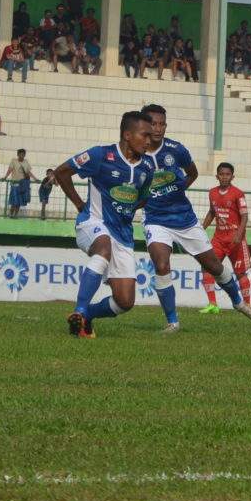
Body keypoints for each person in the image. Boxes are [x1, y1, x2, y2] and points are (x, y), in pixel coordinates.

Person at [142, 104, 251, 333]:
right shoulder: (137, 152)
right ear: (145, 125)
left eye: (162, 124)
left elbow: (193, 173)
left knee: (214, 266)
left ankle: (238, 302)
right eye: (153, 123)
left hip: (184, 219)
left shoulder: (176, 150)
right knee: (161, 264)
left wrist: (177, 189)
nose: (158, 128)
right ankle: (172, 322)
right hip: (155, 219)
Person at [55, 111, 154, 338]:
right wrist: (80, 205)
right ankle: (79, 311)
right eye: (144, 135)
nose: (149, 141)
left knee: (125, 301)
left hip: (123, 234)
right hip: (92, 223)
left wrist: (127, 207)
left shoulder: (147, 168)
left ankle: (88, 316)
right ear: (128, 135)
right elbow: (62, 172)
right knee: (103, 246)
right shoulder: (100, 155)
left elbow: (144, 196)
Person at [201, 162, 251, 315]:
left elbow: (244, 216)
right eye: (222, 174)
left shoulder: (238, 193)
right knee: (207, 267)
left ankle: (247, 306)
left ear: (232, 176)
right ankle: (212, 304)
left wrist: (239, 234)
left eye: (227, 174)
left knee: (240, 274)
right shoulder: (212, 192)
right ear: (216, 176)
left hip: (235, 240)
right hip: (218, 238)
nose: (224, 177)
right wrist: (201, 228)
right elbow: (212, 212)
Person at [3, 149, 38, 219]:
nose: (22, 156)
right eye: (20, 154)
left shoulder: (26, 162)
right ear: (18, 154)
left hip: (22, 184)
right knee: (14, 201)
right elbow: (10, 170)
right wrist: (5, 177)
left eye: (23, 154)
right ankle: (11, 214)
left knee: (19, 201)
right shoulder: (13, 161)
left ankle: (15, 215)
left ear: (24, 155)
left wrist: (35, 178)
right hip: (14, 183)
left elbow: (28, 172)